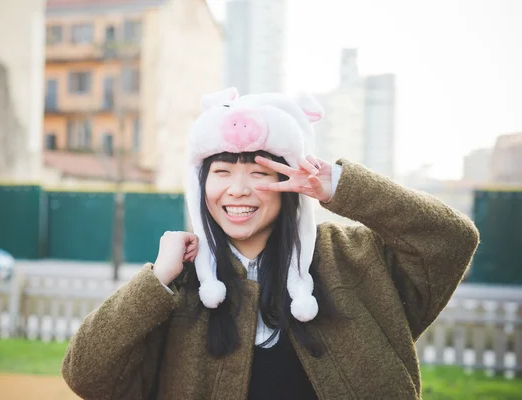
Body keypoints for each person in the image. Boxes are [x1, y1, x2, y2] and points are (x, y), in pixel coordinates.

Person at [61, 88, 479, 400]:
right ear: (200, 185)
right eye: (221, 172)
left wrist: (342, 186)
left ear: (289, 183)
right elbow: (86, 374)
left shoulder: (355, 259)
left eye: (260, 174)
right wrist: (157, 278)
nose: (238, 190)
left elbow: (450, 239)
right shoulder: (181, 281)